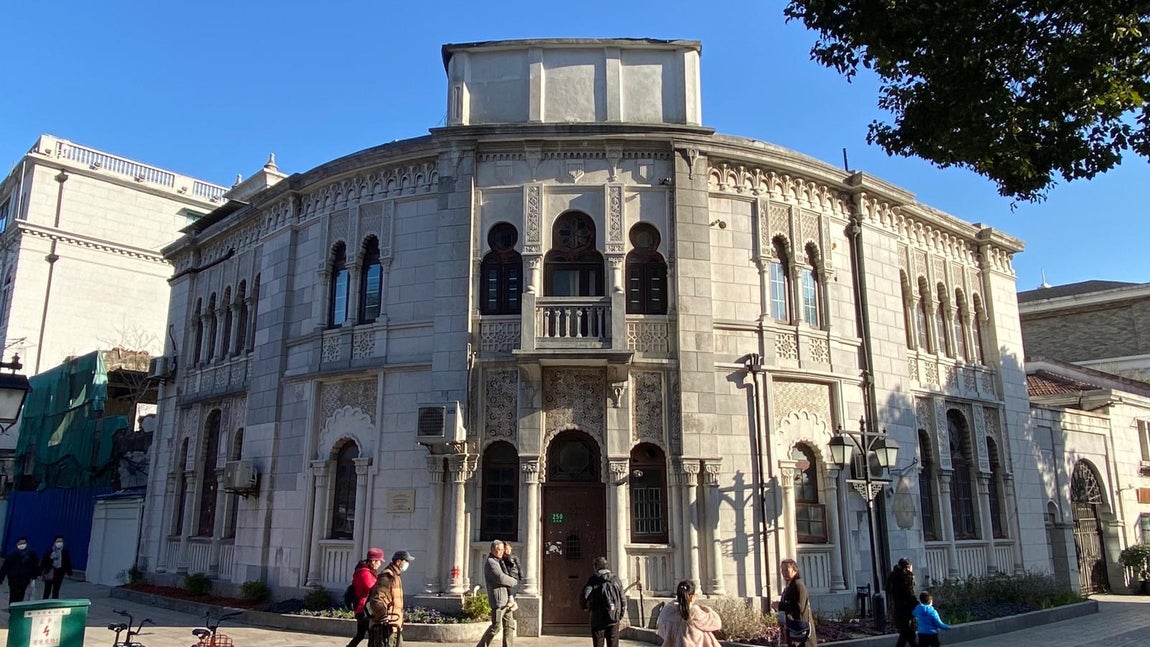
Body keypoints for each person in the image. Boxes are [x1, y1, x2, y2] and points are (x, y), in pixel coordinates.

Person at [475, 540, 518, 647]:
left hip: (507, 600)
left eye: (502, 550)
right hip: (499, 601)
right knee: (496, 626)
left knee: (509, 626)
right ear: (492, 550)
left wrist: (508, 555)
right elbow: (500, 577)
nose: (500, 552)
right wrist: (514, 581)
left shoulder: (500, 561)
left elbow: (512, 568)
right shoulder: (491, 562)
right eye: (498, 550)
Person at [367, 550, 414, 647]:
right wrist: (384, 615)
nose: (408, 564)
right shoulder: (387, 577)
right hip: (386, 628)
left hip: (394, 626)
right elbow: (376, 599)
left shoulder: (396, 576)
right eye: (406, 561)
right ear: (398, 562)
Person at [655, 579, 721, 647]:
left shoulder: (667, 611)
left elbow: (661, 631)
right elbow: (716, 623)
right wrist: (707, 609)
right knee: (706, 634)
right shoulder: (694, 612)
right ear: (692, 597)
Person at [772, 558, 817, 647]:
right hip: (794, 630)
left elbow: (799, 607)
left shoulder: (798, 585)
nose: (784, 572)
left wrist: (780, 605)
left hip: (801, 630)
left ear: (795, 570)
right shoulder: (790, 585)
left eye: (787, 570)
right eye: (782, 570)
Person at [581, 556, 625, 647]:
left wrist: (585, 607)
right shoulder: (616, 580)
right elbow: (623, 600)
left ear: (596, 567)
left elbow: (585, 596)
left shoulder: (593, 579)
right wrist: (619, 615)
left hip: (597, 618)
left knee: (598, 644)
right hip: (613, 618)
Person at [347, 547, 384, 647]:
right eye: (379, 561)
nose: (380, 564)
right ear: (373, 561)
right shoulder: (364, 573)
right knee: (372, 635)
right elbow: (372, 587)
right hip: (364, 609)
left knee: (360, 635)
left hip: (362, 608)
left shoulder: (363, 571)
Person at [887, 558, 918, 647]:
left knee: (905, 637)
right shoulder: (907, 578)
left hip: (899, 611)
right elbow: (910, 596)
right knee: (909, 636)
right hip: (907, 612)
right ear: (908, 567)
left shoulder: (894, 577)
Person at [0, 537, 39, 603]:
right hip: (13, 580)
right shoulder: (11, 555)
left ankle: (17, 609)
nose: (22, 544)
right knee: (13, 596)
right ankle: (12, 609)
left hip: (25, 579)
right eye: (20, 543)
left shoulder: (31, 554)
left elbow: (34, 566)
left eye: (24, 543)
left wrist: (35, 575)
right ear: (17, 544)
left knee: (21, 595)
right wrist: (1, 578)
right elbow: (5, 568)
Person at [501, 542, 523, 612]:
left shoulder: (512, 557)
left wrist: (521, 576)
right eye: (506, 549)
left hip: (513, 575)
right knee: (507, 589)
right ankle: (513, 603)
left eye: (508, 549)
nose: (508, 551)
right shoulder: (502, 559)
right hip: (507, 575)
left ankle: (512, 601)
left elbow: (519, 567)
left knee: (510, 588)